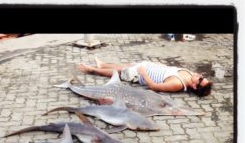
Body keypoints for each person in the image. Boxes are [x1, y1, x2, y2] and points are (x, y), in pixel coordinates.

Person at [78, 57, 212, 97]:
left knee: (119, 73)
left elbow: (154, 87)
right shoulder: (189, 73)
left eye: (200, 79)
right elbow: (170, 69)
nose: (199, 75)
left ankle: (92, 70)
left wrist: (143, 73)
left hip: (140, 75)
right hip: (148, 66)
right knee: (124, 65)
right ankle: (103, 64)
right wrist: (160, 64)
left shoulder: (177, 84)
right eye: (202, 76)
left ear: (194, 86)